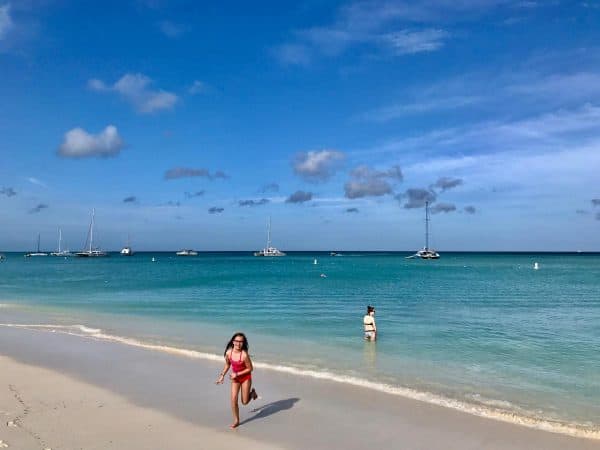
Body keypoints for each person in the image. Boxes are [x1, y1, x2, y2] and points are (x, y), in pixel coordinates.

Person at [215, 332, 258, 428]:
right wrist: (222, 375)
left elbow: (250, 369)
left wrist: (237, 374)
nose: (238, 344)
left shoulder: (244, 355)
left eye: (241, 342)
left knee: (245, 402)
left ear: (243, 343)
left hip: (245, 378)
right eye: (237, 341)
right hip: (235, 379)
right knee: (233, 400)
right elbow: (227, 364)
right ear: (233, 342)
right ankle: (236, 420)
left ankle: (252, 394)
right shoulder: (228, 353)